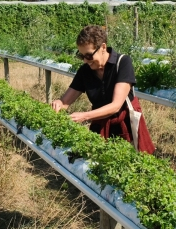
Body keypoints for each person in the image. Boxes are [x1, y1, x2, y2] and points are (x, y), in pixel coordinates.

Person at [51, 25, 155, 154]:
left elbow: (116, 106)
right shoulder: (85, 71)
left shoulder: (122, 62)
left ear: (103, 48)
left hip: (125, 124)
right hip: (100, 125)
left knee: (130, 163)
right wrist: (59, 104)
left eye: (88, 56)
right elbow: (65, 101)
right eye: (81, 56)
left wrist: (85, 116)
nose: (85, 61)